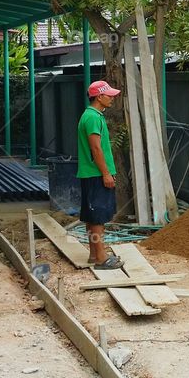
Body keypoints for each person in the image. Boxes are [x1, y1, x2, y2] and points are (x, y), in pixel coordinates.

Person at [77, 80, 124, 269]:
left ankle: (94, 253)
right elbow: (96, 148)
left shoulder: (92, 116)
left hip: (92, 173)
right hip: (96, 173)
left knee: (92, 215)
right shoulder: (93, 118)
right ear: (99, 97)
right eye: (109, 95)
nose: (112, 98)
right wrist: (106, 173)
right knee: (98, 216)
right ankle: (102, 259)